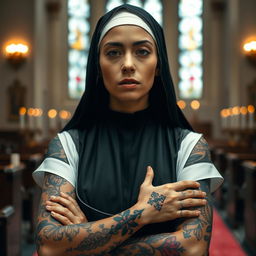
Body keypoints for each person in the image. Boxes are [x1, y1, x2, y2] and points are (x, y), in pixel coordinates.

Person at [33, 4, 223, 256]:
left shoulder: (189, 146)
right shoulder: (67, 145)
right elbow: (48, 245)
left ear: (158, 66)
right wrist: (143, 213)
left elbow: (193, 247)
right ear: (97, 67)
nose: (128, 65)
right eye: (113, 52)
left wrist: (83, 239)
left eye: (142, 51)